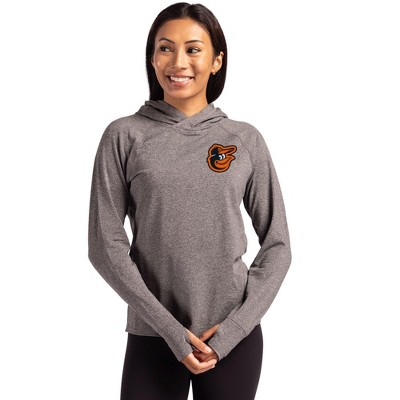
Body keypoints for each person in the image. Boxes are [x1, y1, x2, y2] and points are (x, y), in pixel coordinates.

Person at [87, 2, 292, 399]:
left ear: (216, 61)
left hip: (231, 338)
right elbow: (104, 245)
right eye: (165, 48)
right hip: (153, 335)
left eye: (193, 49)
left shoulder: (244, 139)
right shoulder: (124, 136)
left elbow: (278, 244)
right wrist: (170, 331)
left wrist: (234, 329)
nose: (178, 61)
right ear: (152, 58)